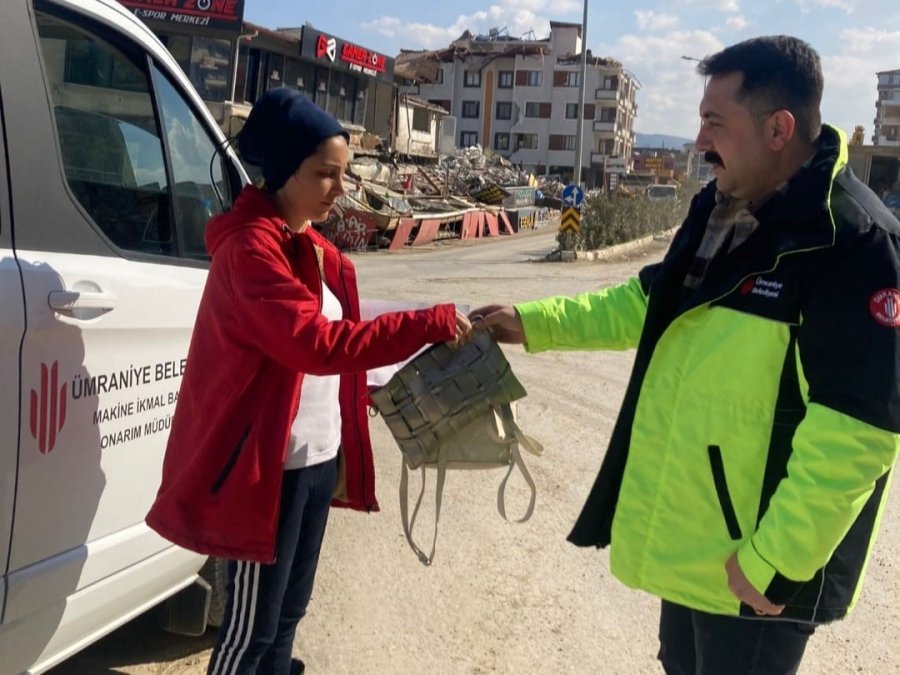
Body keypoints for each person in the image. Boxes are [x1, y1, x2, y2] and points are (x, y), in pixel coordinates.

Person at [473, 36, 900, 675]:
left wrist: (773, 563)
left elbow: (856, 433)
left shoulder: (854, 244)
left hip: (759, 571)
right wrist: (532, 323)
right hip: (701, 550)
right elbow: (652, 301)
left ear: (779, 128)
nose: (698, 140)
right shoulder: (722, 207)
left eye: (714, 122)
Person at [146, 88, 469, 675]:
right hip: (266, 472)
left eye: (344, 174)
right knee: (251, 633)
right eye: (326, 174)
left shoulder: (310, 248)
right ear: (283, 170)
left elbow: (343, 331)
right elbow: (316, 344)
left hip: (315, 461)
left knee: (288, 618)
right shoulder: (250, 252)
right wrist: (425, 324)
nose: (341, 190)